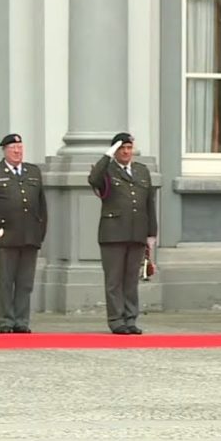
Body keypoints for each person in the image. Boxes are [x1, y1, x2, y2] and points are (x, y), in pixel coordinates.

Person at [0, 133, 47, 334]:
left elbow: (42, 206)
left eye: (20, 147)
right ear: (4, 150)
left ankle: (22, 320)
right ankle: (5, 320)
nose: (17, 151)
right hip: (6, 234)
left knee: (25, 282)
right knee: (6, 281)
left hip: (30, 234)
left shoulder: (33, 171)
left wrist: (40, 233)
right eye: (13, 148)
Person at [88, 132, 158, 335]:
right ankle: (116, 320)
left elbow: (149, 203)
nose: (126, 152)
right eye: (122, 149)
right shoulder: (107, 170)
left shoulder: (141, 171)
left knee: (130, 280)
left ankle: (130, 318)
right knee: (114, 280)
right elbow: (94, 179)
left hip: (137, 233)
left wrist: (151, 234)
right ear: (115, 151)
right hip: (113, 234)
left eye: (129, 148)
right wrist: (107, 154)